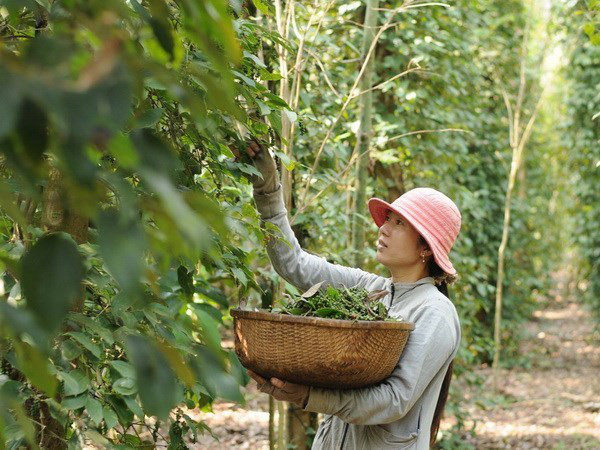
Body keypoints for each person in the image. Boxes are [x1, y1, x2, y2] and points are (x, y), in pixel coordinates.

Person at [232, 141, 462, 450]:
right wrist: (268, 190)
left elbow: (393, 401)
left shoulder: (434, 313)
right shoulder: (367, 290)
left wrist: (308, 396)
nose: (383, 229)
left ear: (425, 248)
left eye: (398, 224)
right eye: (387, 220)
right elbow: (294, 264)